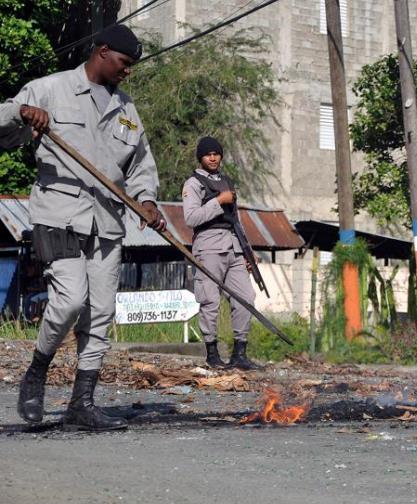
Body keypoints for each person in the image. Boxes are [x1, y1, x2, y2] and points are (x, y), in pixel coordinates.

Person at [0, 25, 165, 431]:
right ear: (102, 51)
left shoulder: (126, 110)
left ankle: (82, 403)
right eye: (124, 64)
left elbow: (141, 165)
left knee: (101, 312)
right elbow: (3, 131)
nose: (127, 72)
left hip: (108, 222)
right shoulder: (49, 89)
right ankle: (37, 371)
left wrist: (146, 200)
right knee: (71, 300)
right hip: (58, 215)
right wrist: (20, 113)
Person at [182, 136, 260, 370]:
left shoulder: (226, 182)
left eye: (217, 154)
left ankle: (240, 353)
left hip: (234, 245)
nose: (213, 157)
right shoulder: (193, 184)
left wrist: (248, 250)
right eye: (208, 154)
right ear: (201, 157)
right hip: (208, 245)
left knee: (246, 297)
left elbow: (236, 219)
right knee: (210, 300)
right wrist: (217, 201)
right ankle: (212, 355)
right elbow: (191, 218)